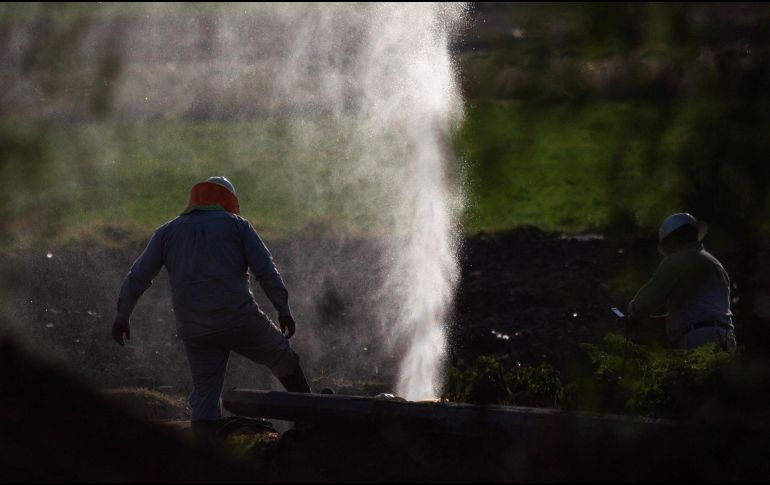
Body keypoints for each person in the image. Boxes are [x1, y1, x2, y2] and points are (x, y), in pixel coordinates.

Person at [112, 176, 311, 428]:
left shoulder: (167, 232)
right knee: (284, 359)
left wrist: (122, 317)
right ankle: (311, 419)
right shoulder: (238, 226)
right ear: (229, 201)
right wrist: (283, 309)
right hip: (240, 320)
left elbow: (137, 277)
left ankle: (204, 453)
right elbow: (266, 271)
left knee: (205, 399)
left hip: (196, 329)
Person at [627, 212, 737, 350]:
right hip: (726, 338)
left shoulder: (678, 260)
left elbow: (645, 301)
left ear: (672, 240)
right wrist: (647, 322)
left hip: (700, 339)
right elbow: (699, 311)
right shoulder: (715, 263)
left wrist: (633, 315)